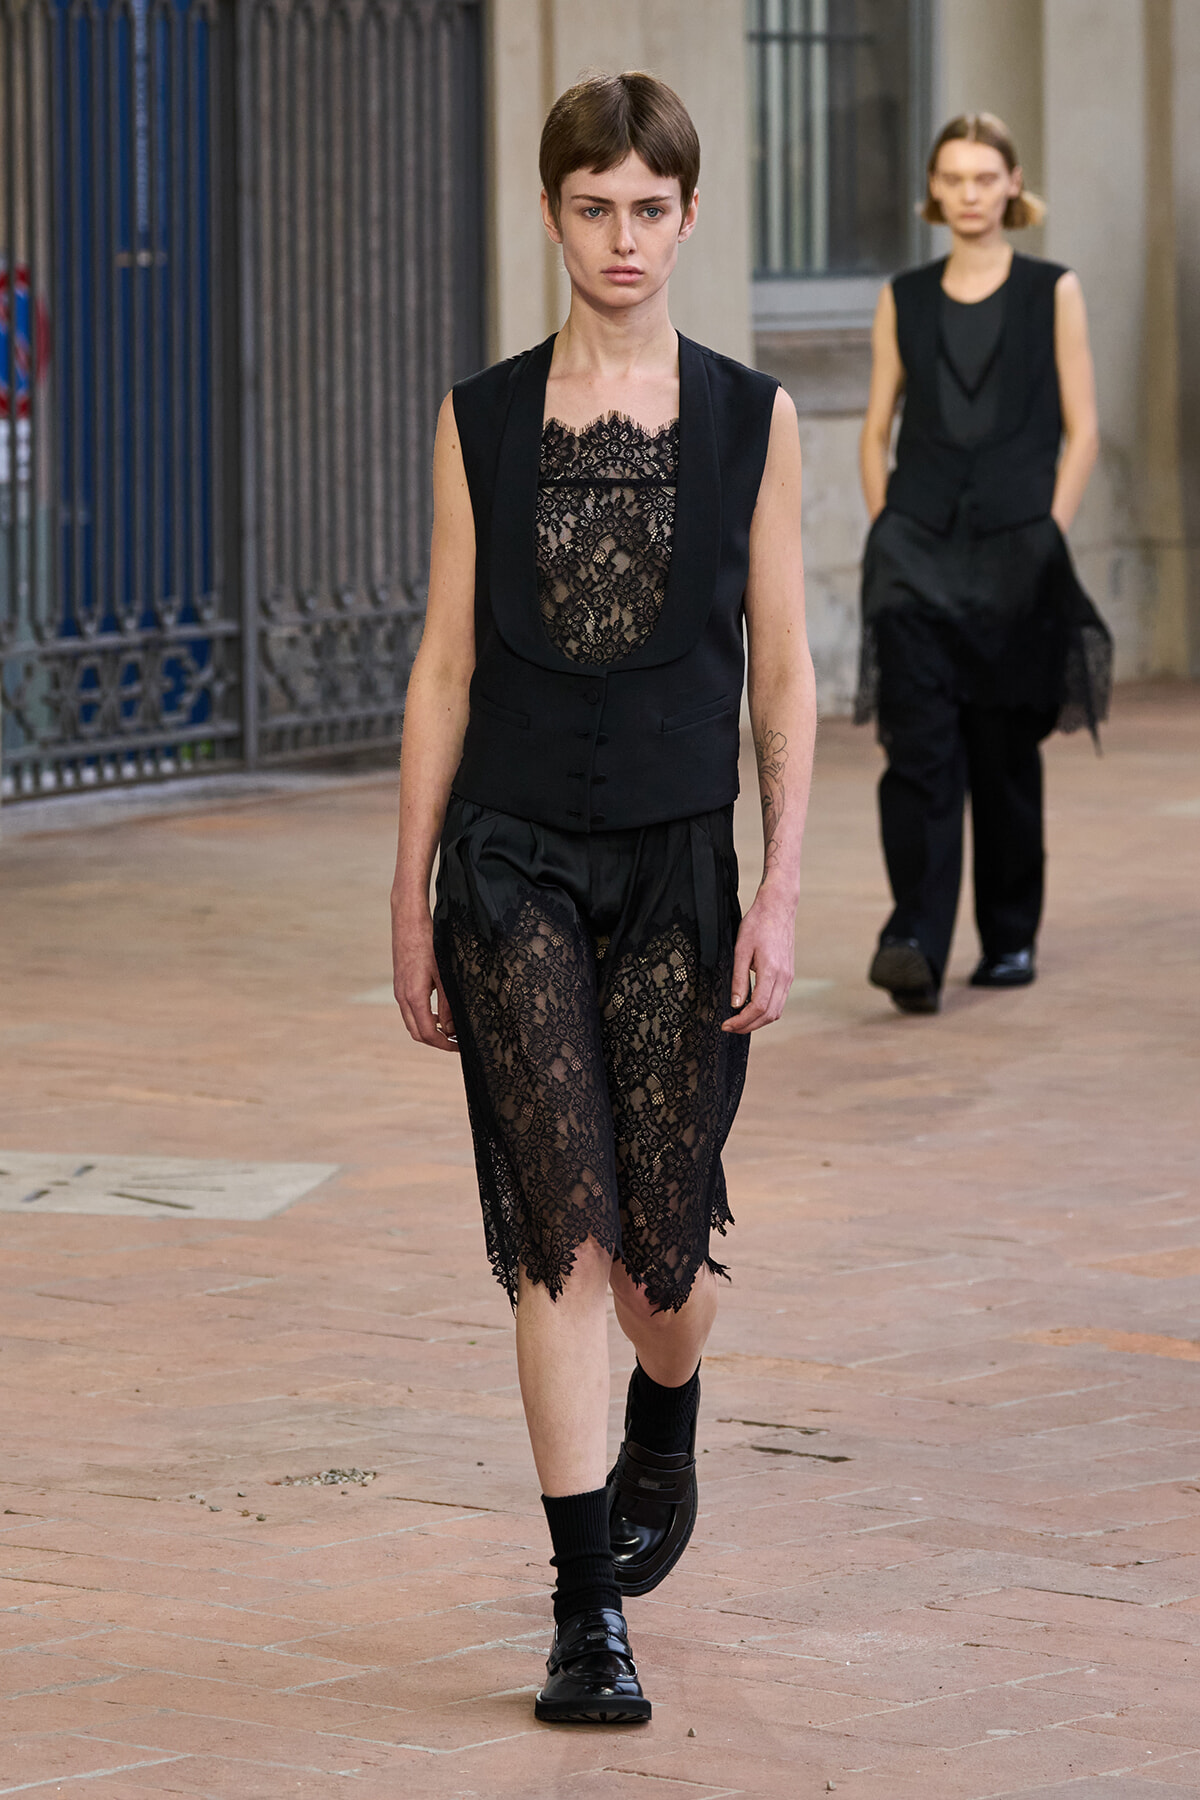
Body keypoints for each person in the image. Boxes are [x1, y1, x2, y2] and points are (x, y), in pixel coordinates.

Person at [390, 72, 814, 1724]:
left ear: (688, 219)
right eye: (592, 206)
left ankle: (672, 1407)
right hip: (508, 860)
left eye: (650, 208)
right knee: (557, 1229)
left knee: (656, 1260)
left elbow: (781, 675)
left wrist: (780, 891)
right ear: (552, 212)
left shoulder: (749, 421)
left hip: (682, 869)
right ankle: (585, 1619)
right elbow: (439, 667)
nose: (621, 236)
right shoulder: (482, 421)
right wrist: (409, 893)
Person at [857, 112, 1111, 1015]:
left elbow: (1084, 426)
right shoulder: (904, 295)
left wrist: (1049, 528)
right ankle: (915, 941)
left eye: (983, 177)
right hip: (915, 551)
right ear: (935, 191)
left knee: (1003, 755)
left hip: (1015, 551)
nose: (967, 193)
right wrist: (887, 523)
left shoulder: (1054, 290)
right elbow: (876, 424)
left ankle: (1008, 937)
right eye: (952, 178)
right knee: (918, 752)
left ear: (1011, 186)